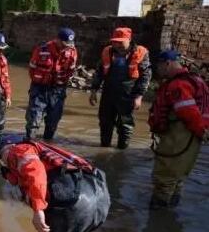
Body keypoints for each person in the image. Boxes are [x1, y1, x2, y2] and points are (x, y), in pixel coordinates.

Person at [148, 49, 209, 207]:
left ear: (167, 64)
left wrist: (201, 132)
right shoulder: (194, 80)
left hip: (180, 136)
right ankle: (171, 214)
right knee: (178, 175)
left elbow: (189, 113)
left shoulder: (179, 85)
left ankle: (157, 219)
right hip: (189, 136)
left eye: (159, 66)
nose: (158, 70)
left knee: (165, 175)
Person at [89, 27, 151, 149]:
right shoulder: (108, 51)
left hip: (128, 94)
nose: (117, 45)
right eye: (115, 42)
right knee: (105, 123)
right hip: (108, 93)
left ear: (129, 40)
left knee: (125, 125)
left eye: (120, 42)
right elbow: (99, 72)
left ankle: (122, 151)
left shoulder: (140, 53)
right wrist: (93, 90)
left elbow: (146, 76)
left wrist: (139, 96)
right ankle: (104, 149)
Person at [25, 28, 78, 140]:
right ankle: (29, 142)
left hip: (58, 90)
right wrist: (39, 82)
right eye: (64, 43)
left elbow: (70, 71)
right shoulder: (41, 49)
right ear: (57, 40)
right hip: (40, 88)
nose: (66, 46)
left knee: (53, 121)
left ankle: (48, 143)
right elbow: (32, 70)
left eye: (69, 44)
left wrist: (60, 84)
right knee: (34, 119)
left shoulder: (72, 52)